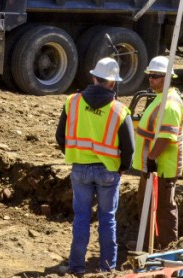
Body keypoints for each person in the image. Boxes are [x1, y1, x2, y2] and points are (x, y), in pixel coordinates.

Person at [54, 57, 134, 276]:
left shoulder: (72, 102)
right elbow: (129, 148)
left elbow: (60, 136)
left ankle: (76, 266)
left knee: (81, 218)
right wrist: (122, 167)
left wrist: (75, 154)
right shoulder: (119, 110)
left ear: (93, 77)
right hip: (108, 171)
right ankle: (107, 269)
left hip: (80, 169)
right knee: (107, 219)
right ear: (112, 83)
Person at [132, 56, 183, 251]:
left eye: (155, 76)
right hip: (152, 165)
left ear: (167, 78)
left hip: (162, 167)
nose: (151, 79)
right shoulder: (160, 99)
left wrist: (152, 158)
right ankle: (147, 244)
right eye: (150, 76)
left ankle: (169, 247)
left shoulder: (169, 104)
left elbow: (166, 137)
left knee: (163, 208)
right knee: (146, 206)